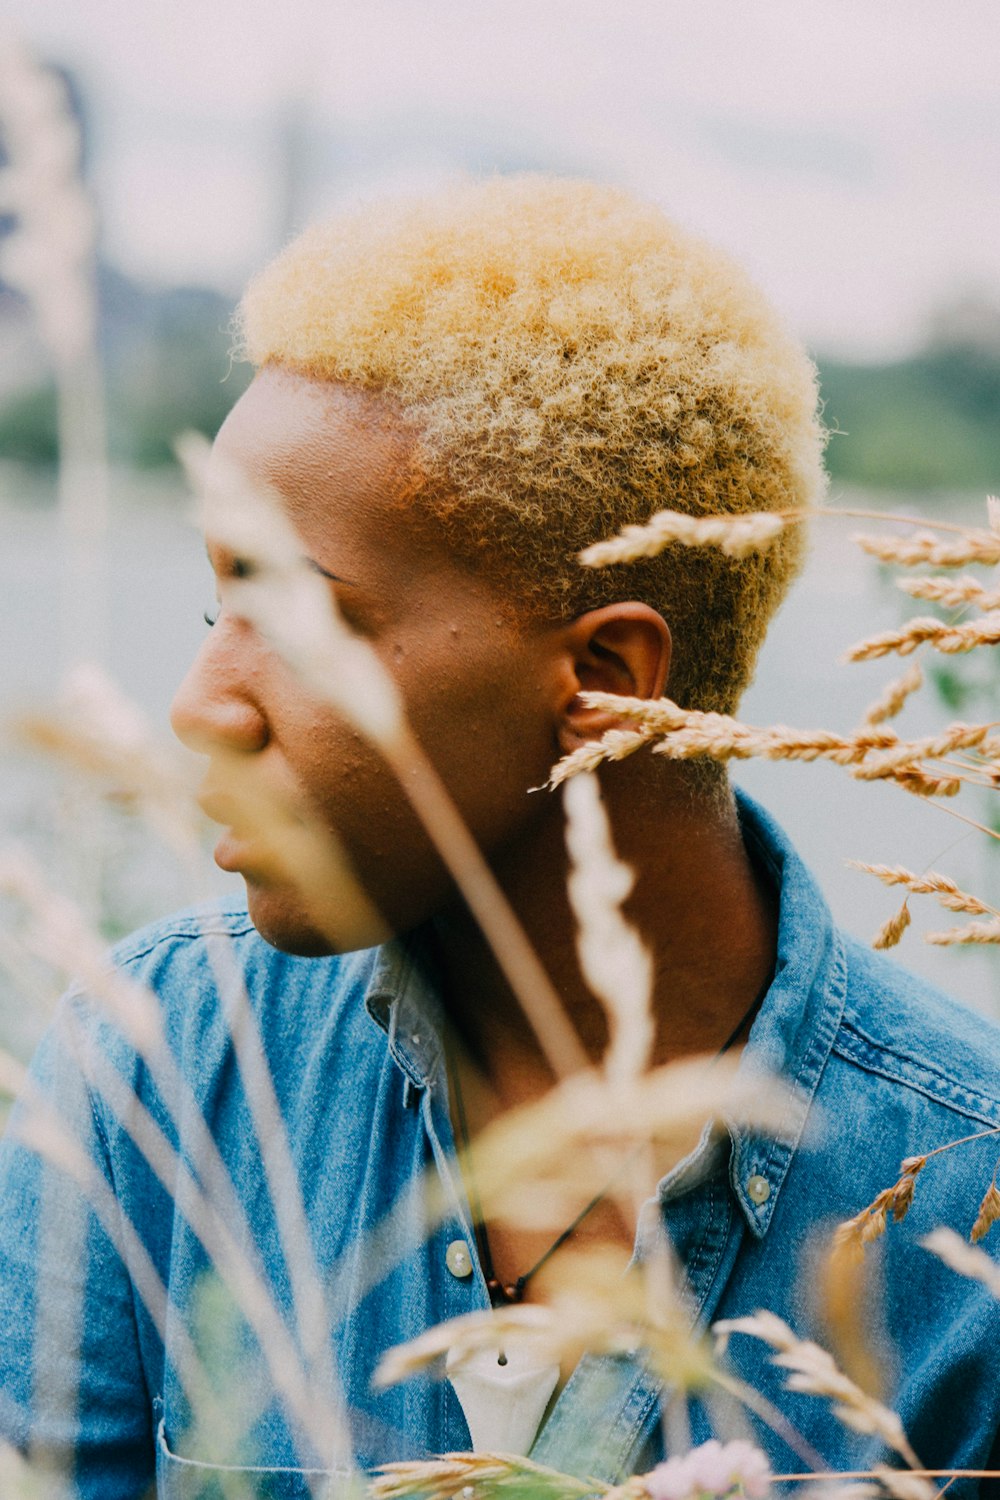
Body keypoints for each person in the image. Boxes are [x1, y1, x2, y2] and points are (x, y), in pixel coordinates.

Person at [1, 176, 998, 1499]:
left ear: (608, 683)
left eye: (295, 618)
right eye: (213, 610)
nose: (200, 708)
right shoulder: (161, 1064)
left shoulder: (962, 1215)